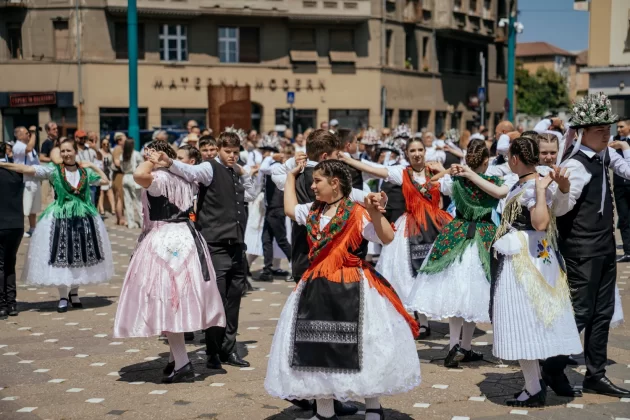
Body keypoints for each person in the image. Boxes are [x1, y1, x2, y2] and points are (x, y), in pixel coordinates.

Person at [264, 160, 421, 420]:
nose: (312, 186)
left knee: (365, 345)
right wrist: (291, 176)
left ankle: (373, 407)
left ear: (334, 183)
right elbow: (290, 209)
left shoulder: (357, 212)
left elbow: (387, 237)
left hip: (353, 286)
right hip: (317, 288)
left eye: (317, 181)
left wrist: (375, 212)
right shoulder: (313, 211)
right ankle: (325, 412)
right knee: (318, 347)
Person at [114, 141, 226, 383]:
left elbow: (138, 174)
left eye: (149, 154)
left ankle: (183, 363)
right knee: (178, 299)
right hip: (188, 237)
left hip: (165, 240)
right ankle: (176, 358)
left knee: (168, 300)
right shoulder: (185, 178)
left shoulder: (158, 178)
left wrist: (152, 161)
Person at [543, 93, 630, 398]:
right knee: (580, 311)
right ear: (582, 133)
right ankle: (551, 367)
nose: (606, 134)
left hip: (604, 246)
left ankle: (596, 374)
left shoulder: (602, 156)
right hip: (582, 248)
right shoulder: (576, 164)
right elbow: (560, 209)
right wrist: (563, 188)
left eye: (608, 129)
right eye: (599, 130)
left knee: (602, 312)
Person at [490, 137, 582, 407]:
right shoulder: (523, 182)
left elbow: (540, 223)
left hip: (527, 260)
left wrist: (541, 191)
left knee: (524, 321)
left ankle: (534, 388)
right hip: (527, 257)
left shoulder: (534, 185)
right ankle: (533, 384)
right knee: (524, 322)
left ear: (515, 158)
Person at [152, 131, 256, 369]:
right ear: (219, 149)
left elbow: (250, 195)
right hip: (215, 244)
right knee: (216, 300)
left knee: (234, 299)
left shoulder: (235, 172)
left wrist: (244, 172)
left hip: (236, 244)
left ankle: (229, 349)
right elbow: (190, 171)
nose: (232, 156)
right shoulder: (210, 168)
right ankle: (213, 352)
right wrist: (169, 161)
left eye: (235, 152)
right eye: (228, 152)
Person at [407, 140, 509, 368]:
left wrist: (448, 171)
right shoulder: (494, 182)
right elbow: (501, 194)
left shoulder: (454, 181)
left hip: (456, 233)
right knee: (472, 295)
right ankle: (465, 346)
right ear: (486, 162)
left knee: (457, 293)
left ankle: (456, 345)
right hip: (484, 235)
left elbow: (428, 184)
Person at [340, 137, 453, 338]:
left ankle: (441, 317)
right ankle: (422, 322)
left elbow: (452, 188)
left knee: (437, 272)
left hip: (436, 225)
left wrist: (443, 170)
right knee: (411, 273)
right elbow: (376, 170)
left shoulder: (435, 172)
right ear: (407, 154)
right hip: (411, 227)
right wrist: (349, 160)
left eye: (420, 150)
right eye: (413, 151)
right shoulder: (402, 172)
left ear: (425, 152)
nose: (417, 154)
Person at [0, 139, 114, 312]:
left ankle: (74, 293)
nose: (66, 154)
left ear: (75, 152)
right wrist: (4, 165)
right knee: (62, 256)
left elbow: (105, 181)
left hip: (83, 218)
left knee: (80, 256)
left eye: (69, 150)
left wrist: (91, 164)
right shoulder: (54, 170)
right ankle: (63, 296)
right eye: (63, 151)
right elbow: (27, 169)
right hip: (60, 217)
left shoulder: (85, 172)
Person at [257, 135, 292, 282]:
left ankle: (298, 267)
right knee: (266, 239)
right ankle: (267, 270)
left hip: (276, 208)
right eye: (264, 151)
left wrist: (271, 156)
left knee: (281, 240)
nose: (264, 154)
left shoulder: (276, 166)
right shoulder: (272, 165)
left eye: (267, 151)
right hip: (270, 208)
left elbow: (263, 168)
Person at [0, 142, 24, 319]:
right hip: (16, 224)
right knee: (10, 264)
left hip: (1, 224)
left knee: (0, 265)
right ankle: (12, 303)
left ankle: (2, 305)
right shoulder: (17, 172)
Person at [12, 126, 40, 238]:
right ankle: (20, 230)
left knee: (33, 208)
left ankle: (33, 228)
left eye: (30, 133)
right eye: (27, 133)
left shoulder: (29, 146)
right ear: (19, 136)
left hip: (34, 180)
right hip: (25, 181)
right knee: (24, 207)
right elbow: (29, 148)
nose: (29, 135)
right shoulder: (18, 146)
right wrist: (34, 132)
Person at [613, 118, 630, 262]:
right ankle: (628, 251)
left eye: (622, 126)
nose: (619, 130)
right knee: (623, 218)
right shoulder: (614, 141)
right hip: (619, 186)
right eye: (617, 127)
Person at [121, 138, 144, 229]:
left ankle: (130, 223)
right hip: (133, 177)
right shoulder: (136, 154)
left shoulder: (122, 155)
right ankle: (142, 222)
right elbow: (142, 165)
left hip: (125, 177)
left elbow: (122, 168)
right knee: (138, 201)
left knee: (128, 202)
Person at [97, 137, 116, 216]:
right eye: (104, 144)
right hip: (100, 174)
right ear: (101, 144)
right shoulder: (99, 152)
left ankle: (113, 209)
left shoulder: (110, 153)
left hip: (108, 174)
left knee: (110, 191)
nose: (106, 145)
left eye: (107, 144)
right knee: (101, 192)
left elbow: (112, 165)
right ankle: (101, 210)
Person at [112, 132, 127, 226]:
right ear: (119, 140)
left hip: (120, 174)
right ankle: (121, 219)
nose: (126, 139)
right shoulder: (118, 148)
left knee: (119, 197)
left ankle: (119, 218)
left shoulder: (120, 148)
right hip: (119, 175)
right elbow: (117, 162)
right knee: (119, 197)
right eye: (124, 138)